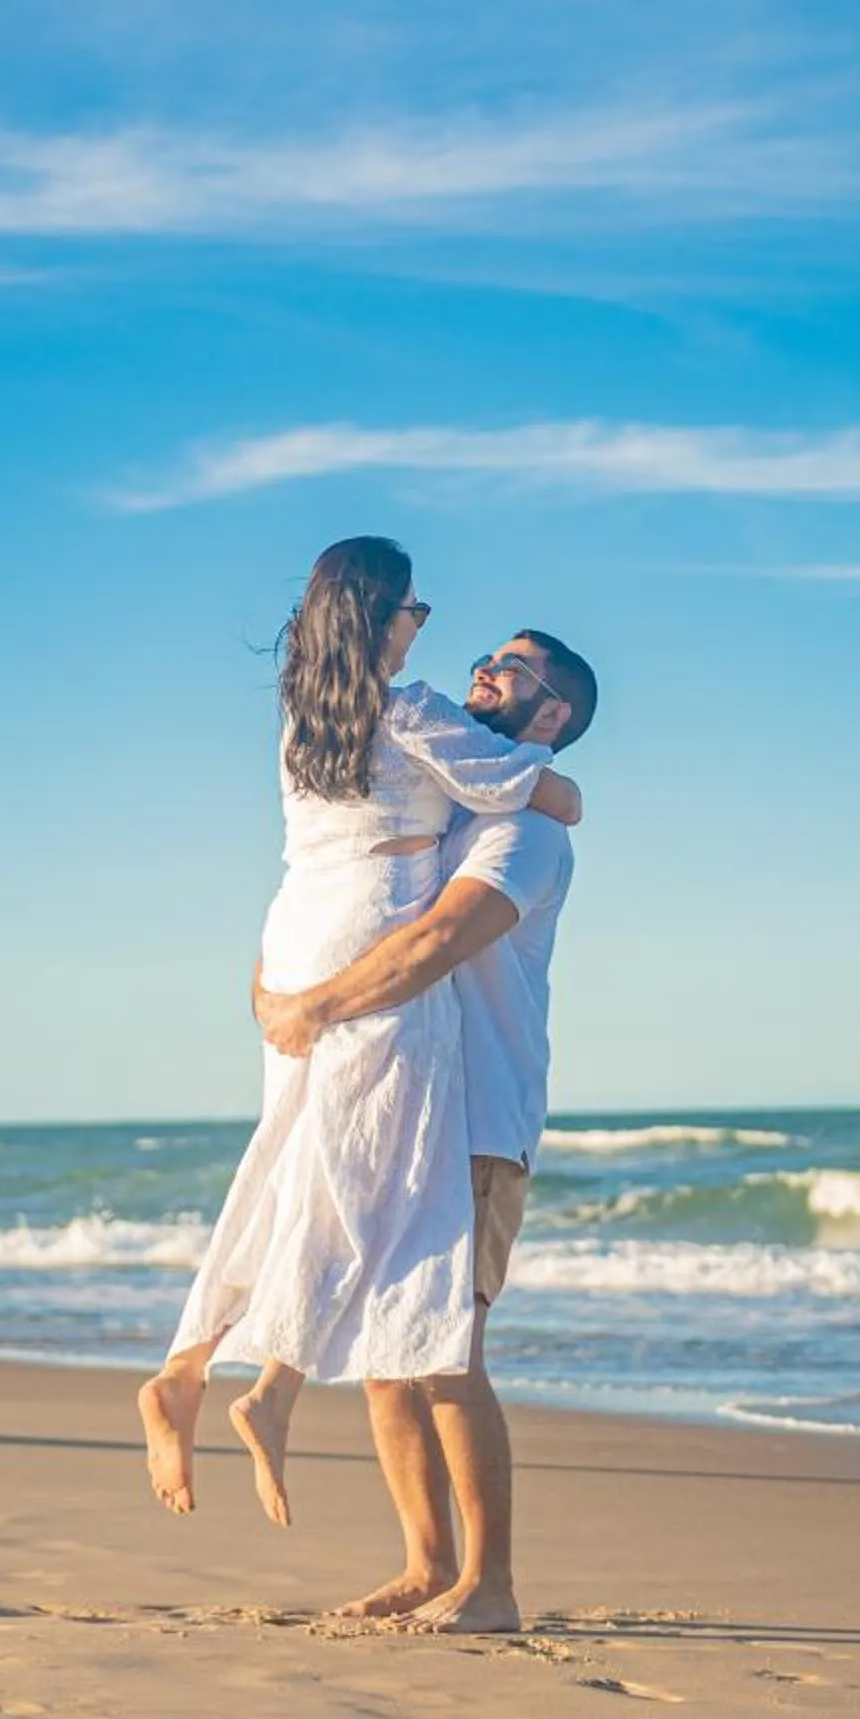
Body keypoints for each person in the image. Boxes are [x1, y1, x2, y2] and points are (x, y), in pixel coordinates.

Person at [136, 538, 581, 1530]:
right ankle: (271, 1395)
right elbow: (536, 811)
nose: (452, 646)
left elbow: (495, 852)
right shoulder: (425, 724)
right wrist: (555, 779)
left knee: (298, 1177)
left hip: (304, 943)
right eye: (419, 611)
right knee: (356, 1200)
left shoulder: (306, 719)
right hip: (363, 950)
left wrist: (289, 992)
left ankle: (198, 1366)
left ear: (552, 713)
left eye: (508, 670)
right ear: (383, 621)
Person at [250, 629, 595, 1633]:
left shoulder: (527, 827)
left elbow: (441, 938)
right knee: (387, 1347)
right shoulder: (453, 794)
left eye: (514, 669)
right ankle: (424, 1563)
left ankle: (489, 1584)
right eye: (492, 656)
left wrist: (313, 1008)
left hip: (481, 1111)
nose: (487, 669)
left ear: (549, 718)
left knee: (447, 1346)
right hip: (404, 1098)